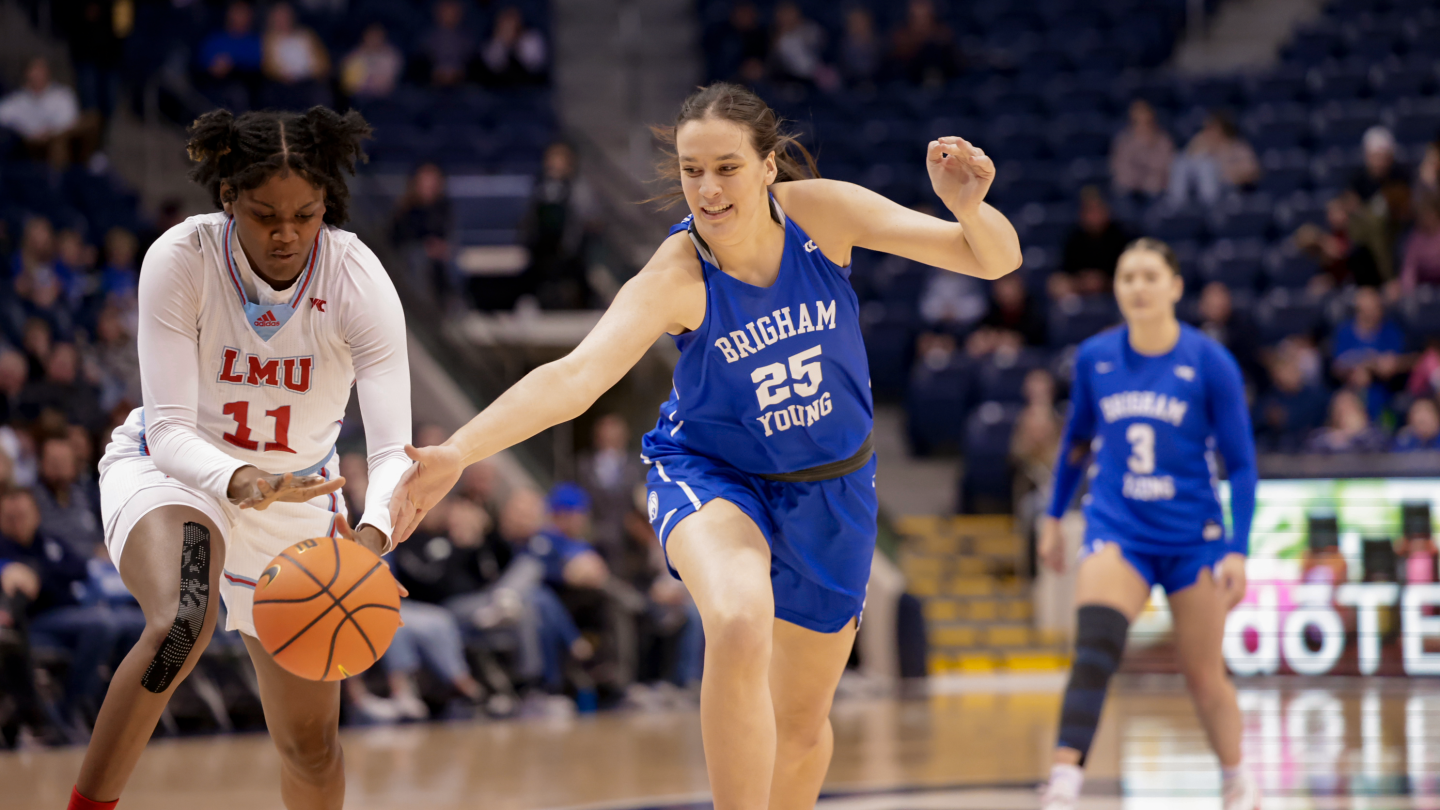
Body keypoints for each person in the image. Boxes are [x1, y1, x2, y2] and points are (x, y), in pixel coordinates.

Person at [389, 82, 1019, 810]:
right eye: (692, 170)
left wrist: (970, 208)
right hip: (716, 477)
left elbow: (993, 260)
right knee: (741, 619)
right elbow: (574, 377)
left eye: (726, 167)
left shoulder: (823, 215)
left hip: (833, 488)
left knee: (805, 730)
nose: (708, 189)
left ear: (768, 166)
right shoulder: (676, 275)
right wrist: (458, 452)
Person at [67, 107, 413, 810]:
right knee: (182, 621)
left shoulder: (358, 280)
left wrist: (368, 542)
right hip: (176, 473)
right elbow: (166, 430)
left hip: (301, 499)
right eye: (264, 215)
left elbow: (393, 453)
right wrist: (244, 479)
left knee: (311, 748)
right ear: (227, 197)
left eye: (306, 214)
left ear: (327, 204)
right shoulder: (180, 258)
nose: (286, 233)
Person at [1036, 238, 1259, 810]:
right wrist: (1054, 515)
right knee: (1095, 650)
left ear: (1175, 287)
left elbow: (1240, 465)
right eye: (1127, 276)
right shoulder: (1095, 357)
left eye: (1149, 276)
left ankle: (1237, 780)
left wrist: (1237, 547)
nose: (1137, 286)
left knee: (1204, 675)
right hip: (1120, 528)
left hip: (1194, 540)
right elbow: (1077, 444)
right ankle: (1063, 784)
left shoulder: (1210, 362)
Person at [0, 57, 86, 169]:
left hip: (59, 141)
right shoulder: (17, 99)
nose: (37, 76)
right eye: (34, 71)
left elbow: (70, 121)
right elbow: (4, 116)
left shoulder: (62, 95)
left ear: (48, 73)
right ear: (27, 74)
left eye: (41, 71)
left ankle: (60, 180)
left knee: (64, 140)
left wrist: (50, 133)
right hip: (27, 145)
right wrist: (29, 134)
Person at [1167, 111, 1260, 207]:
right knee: (1181, 161)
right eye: (1207, 128)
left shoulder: (1238, 147)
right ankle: (1176, 204)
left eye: (1212, 128)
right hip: (1200, 190)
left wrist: (1226, 173)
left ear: (1222, 129)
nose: (1208, 132)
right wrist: (1200, 143)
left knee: (1207, 166)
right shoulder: (1203, 144)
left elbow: (1253, 172)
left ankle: (1209, 206)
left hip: (1232, 191)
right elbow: (1187, 161)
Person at [1060, 187, 1129, 295]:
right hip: (1080, 287)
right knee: (1058, 284)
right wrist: (1083, 281)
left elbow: (1127, 272)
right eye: (1089, 210)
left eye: (1097, 209)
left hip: (1111, 287)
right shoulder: (1073, 238)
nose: (1093, 215)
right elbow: (1065, 271)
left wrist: (1103, 281)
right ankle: (1071, 309)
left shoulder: (1121, 236)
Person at [1110, 100, 1175, 200]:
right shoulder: (1123, 141)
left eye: (1146, 122)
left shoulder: (1163, 140)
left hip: (1156, 191)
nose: (1142, 125)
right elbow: (1121, 170)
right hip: (1129, 192)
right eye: (1138, 121)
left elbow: (1165, 166)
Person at [479, 6, 549, 89]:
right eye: (505, 23)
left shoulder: (532, 37)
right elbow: (493, 66)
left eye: (512, 22)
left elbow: (535, 65)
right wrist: (503, 42)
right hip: (501, 89)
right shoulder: (492, 41)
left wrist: (516, 42)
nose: (509, 26)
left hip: (529, 88)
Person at [340, 23, 403, 101]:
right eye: (370, 36)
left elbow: (387, 84)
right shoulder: (355, 54)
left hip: (384, 99)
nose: (373, 39)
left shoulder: (390, 55)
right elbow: (348, 82)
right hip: (357, 98)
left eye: (376, 36)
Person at [1399, 197, 1440, 292]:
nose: (1426, 218)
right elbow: (1409, 268)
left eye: (1429, 213)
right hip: (1425, 288)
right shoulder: (1416, 239)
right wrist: (1407, 290)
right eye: (1423, 215)